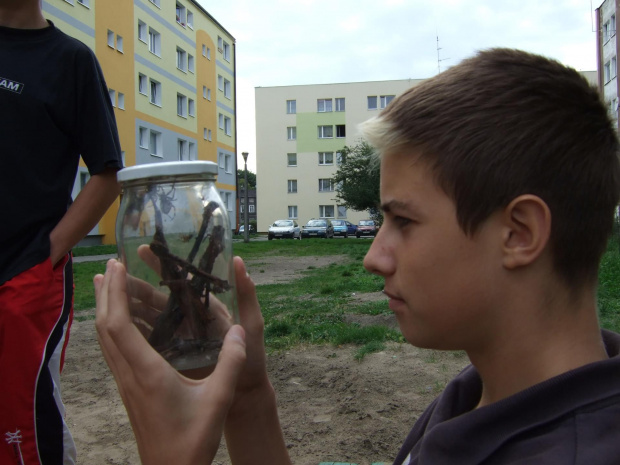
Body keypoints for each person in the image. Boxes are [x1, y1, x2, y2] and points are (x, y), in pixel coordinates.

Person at [94, 48, 620, 464]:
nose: (373, 257)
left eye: (403, 221)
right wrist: (248, 394)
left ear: (519, 234)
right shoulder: (487, 394)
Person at [0, 0, 123, 463]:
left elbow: (107, 174)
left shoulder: (69, 59)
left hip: (23, 275)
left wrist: (45, 253)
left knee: (23, 426)